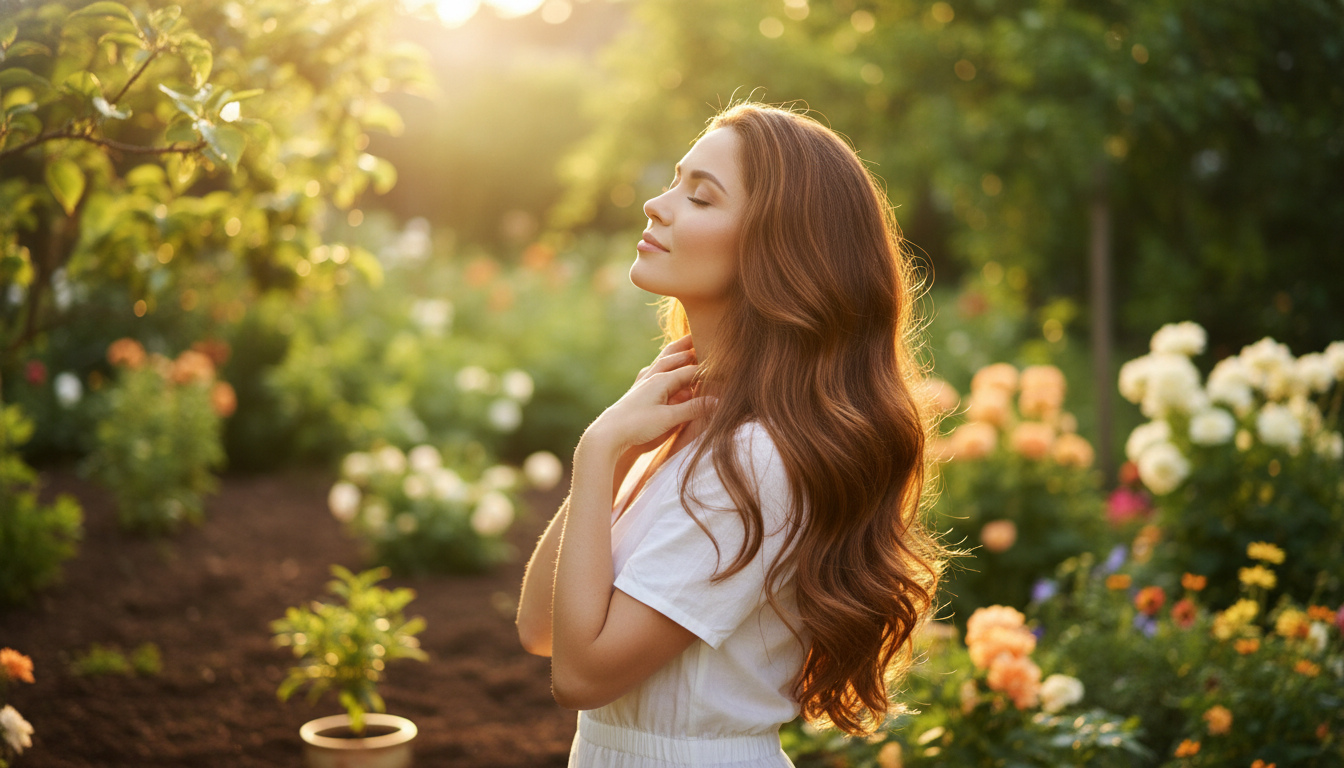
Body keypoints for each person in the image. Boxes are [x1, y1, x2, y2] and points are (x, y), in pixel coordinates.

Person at [516, 102, 944, 768]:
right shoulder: (693, 425)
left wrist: (597, 453)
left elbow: (582, 677)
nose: (657, 205)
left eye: (700, 196)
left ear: (776, 250)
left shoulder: (757, 457)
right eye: (674, 181)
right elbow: (541, 630)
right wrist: (621, 449)